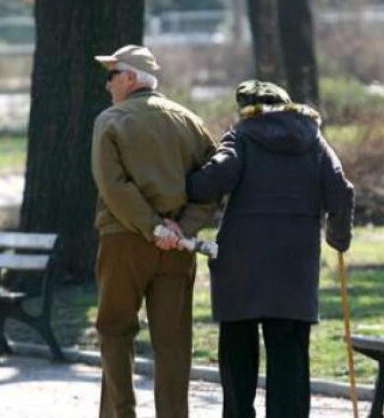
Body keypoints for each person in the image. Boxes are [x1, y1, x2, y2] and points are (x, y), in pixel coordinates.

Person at [186, 80, 355, 418]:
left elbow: (213, 181)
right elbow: (341, 192)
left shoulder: (242, 135)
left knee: (238, 356)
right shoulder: (314, 140)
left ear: (245, 108)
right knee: (289, 355)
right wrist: (338, 238)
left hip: (240, 268)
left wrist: (186, 182)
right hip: (295, 269)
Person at [90, 44, 217, 418]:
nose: (107, 85)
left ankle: (120, 414)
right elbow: (211, 184)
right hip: (178, 247)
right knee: (174, 341)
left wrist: (151, 227)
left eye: (111, 76)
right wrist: (183, 228)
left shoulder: (111, 120)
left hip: (124, 239)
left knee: (114, 330)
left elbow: (114, 186)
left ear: (129, 78)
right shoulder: (190, 121)